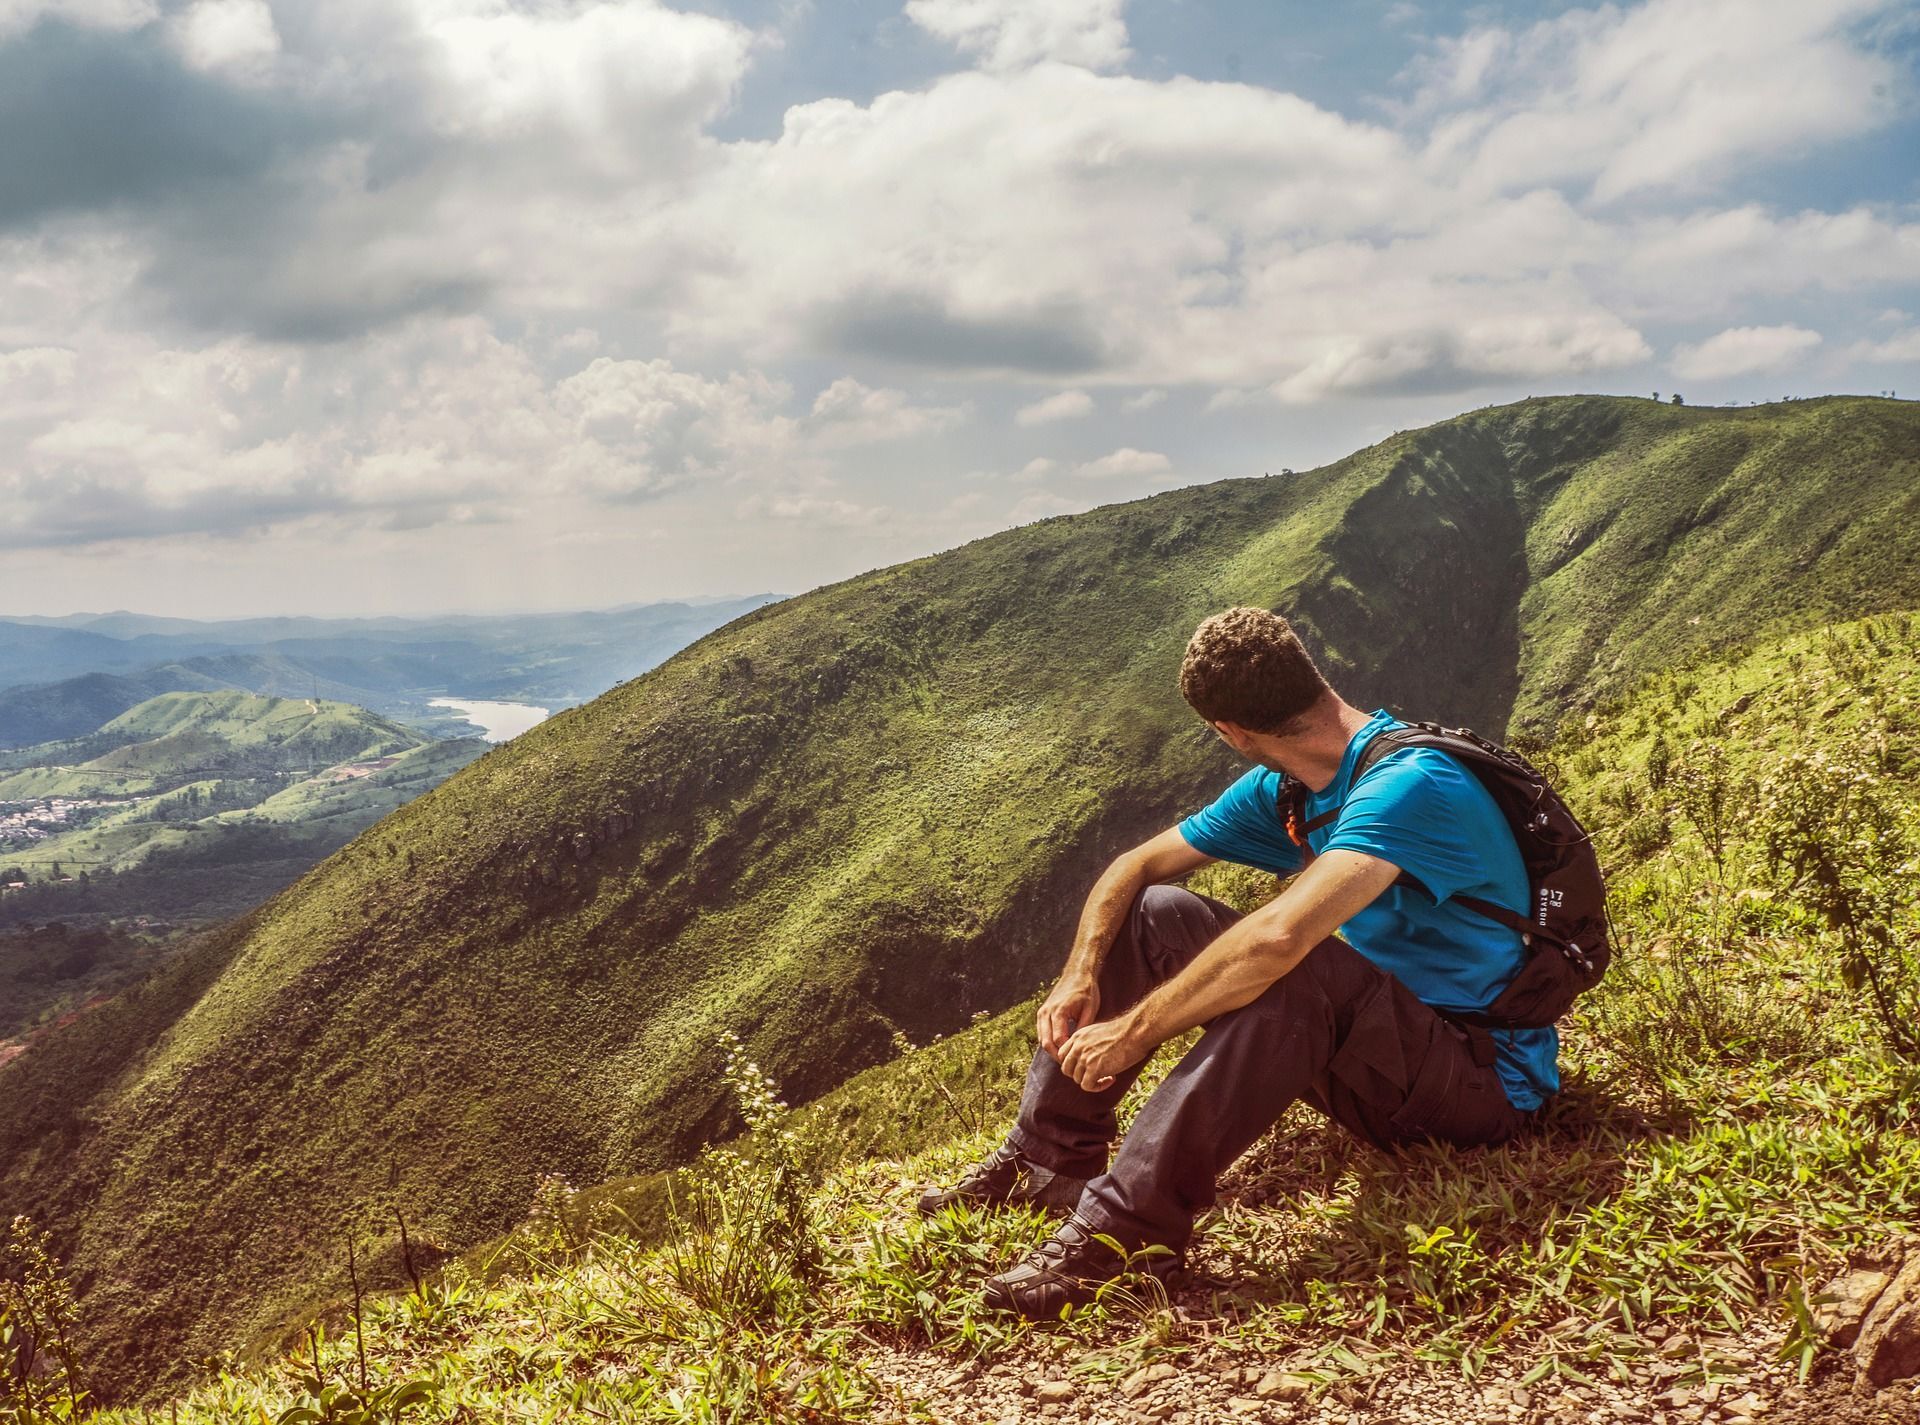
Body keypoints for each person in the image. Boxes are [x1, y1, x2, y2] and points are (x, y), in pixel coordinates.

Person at [918, 606, 1559, 1320]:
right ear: (1311, 675)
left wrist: (1133, 1031)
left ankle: (1125, 1239)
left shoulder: (1408, 783)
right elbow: (1135, 865)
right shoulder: (1292, 789)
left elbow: (1279, 939)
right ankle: (1047, 1159)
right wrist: (1082, 970)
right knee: (1157, 907)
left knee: (1297, 969)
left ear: (1229, 731)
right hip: (1388, 1054)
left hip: (1481, 1082)